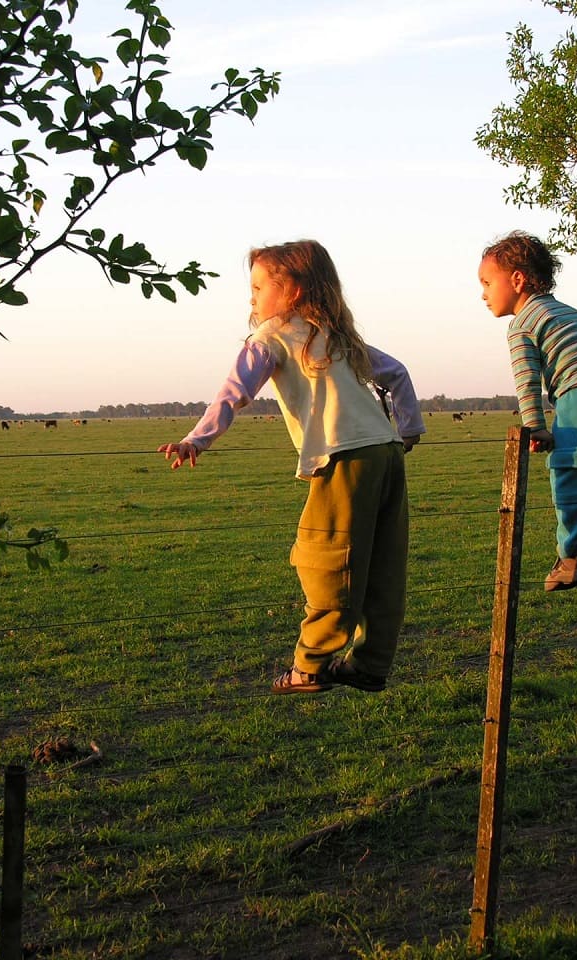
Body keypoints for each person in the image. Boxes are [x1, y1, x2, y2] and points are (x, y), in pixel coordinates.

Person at [159, 239, 426, 694]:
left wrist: (195, 439)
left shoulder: (272, 337)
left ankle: (309, 666)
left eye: (261, 286)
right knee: (383, 564)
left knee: (327, 559)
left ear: (294, 290)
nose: (252, 297)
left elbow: (233, 392)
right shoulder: (338, 336)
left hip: (343, 458)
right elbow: (396, 371)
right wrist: (408, 429)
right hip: (386, 451)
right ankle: (371, 663)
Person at [478, 231, 577, 591]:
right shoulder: (567, 311)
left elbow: (527, 379)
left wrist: (535, 426)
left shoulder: (523, 322)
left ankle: (571, 559)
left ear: (517, 279)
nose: (483, 294)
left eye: (488, 283)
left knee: (571, 471)